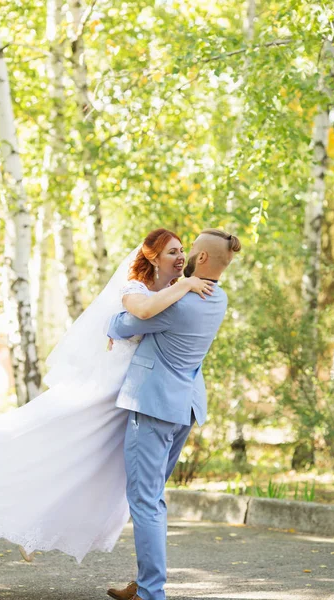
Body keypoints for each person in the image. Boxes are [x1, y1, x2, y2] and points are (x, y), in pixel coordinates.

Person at [0, 228, 214, 564]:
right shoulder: (136, 289)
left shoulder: (181, 292)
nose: (180, 257)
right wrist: (186, 285)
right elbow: (141, 312)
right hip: (113, 388)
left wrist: (183, 287)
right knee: (62, 442)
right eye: (172, 252)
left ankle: (40, 526)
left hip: (148, 396)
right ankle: (22, 511)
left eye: (182, 250)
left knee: (95, 469)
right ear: (153, 258)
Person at [106, 228, 241, 600]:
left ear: (203, 260)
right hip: (184, 408)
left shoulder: (179, 304)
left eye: (191, 250)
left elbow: (123, 325)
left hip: (152, 407)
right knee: (153, 497)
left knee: (145, 502)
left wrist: (114, 320)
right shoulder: (219, 297)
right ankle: (143, 581)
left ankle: (152, 592)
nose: (186, 256)